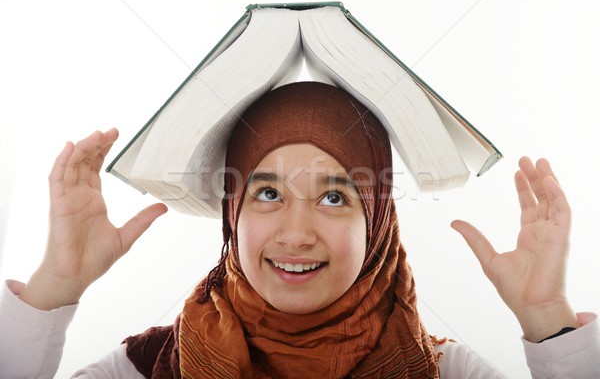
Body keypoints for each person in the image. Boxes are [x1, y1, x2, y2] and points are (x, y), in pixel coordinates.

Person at [1, 82, 598, 378]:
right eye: (267, 193)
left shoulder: (444, 373)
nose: (296, 231)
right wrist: (53, 287)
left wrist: (548, 318)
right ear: (233, 215)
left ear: (379, 220)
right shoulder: (152, 367)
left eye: (334, 195)